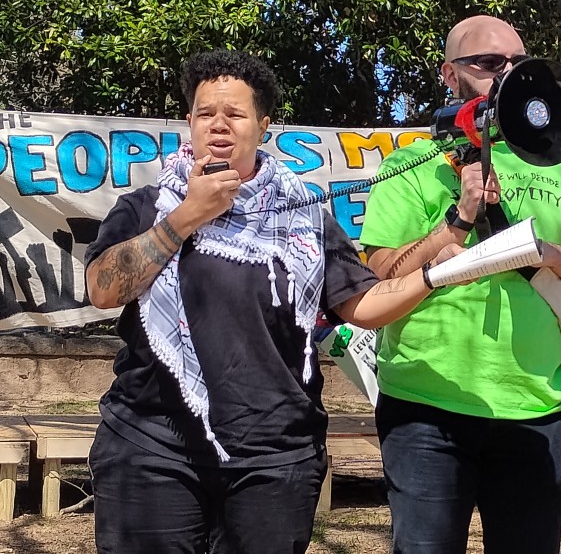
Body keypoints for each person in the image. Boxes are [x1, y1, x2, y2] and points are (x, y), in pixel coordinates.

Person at [86, 49, 443, 554]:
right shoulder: (147, 207)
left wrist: (435, 273)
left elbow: (362, 305)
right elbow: (104, 289)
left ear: (263, 127)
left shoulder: (306, 216)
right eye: (206, 113)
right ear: (189, 122)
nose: (219, 126)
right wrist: (187, 217)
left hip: (273, 458)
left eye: (235, 114)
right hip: (153, 450)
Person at [359, 15, 561, 554]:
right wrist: (455, 222)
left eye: (516, 63)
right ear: (450, 75)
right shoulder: (410, 166)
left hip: (540, 412)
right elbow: (380, 278)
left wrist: (555, 256)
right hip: (425, 410)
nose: (505, 74)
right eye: (487, 64)